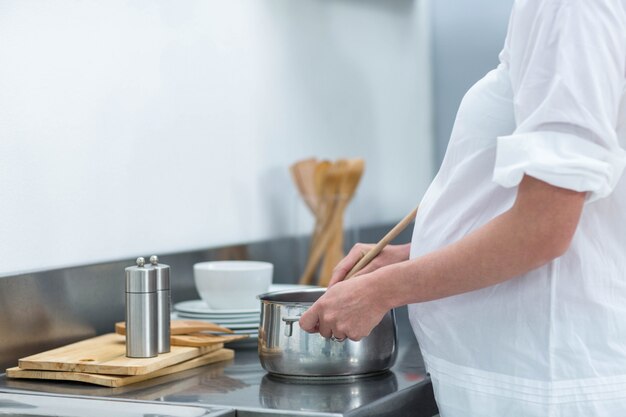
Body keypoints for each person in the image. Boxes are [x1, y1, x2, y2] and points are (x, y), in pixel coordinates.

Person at [299, 0, 626, 415]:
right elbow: (576, 223)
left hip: (542, 386)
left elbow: (542, 229)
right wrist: (408, 259)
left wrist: (383, 290)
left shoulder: (568, 7)